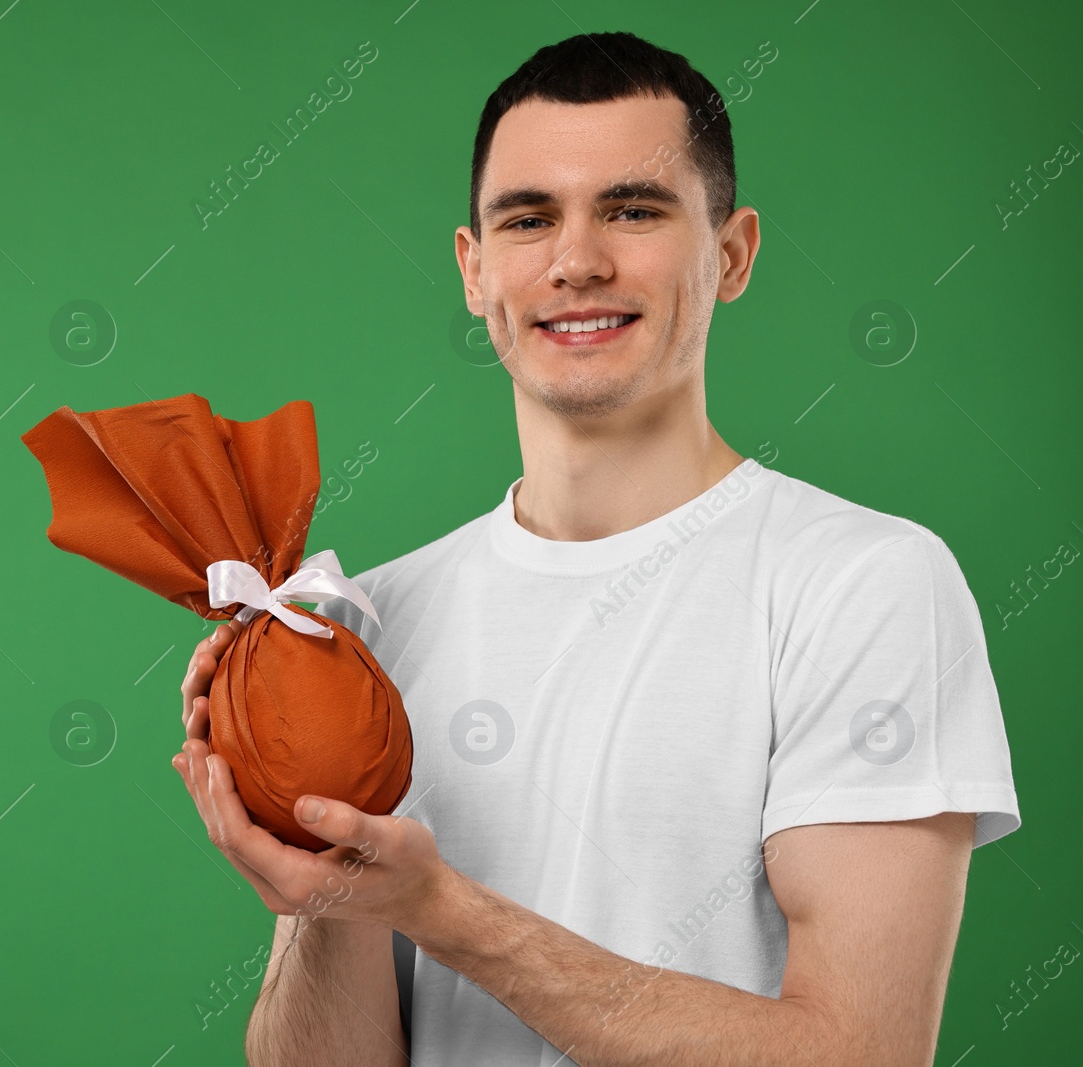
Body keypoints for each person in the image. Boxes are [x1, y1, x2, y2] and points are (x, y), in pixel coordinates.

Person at [170, 30, 1020, 1067]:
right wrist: (321, 867)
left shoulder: (863, 583)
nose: (576, 261)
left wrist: (440, 907)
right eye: (528, 220)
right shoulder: (367, 618)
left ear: (733, 252)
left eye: (633, 208)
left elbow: (859, 1052)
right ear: (474, 271)